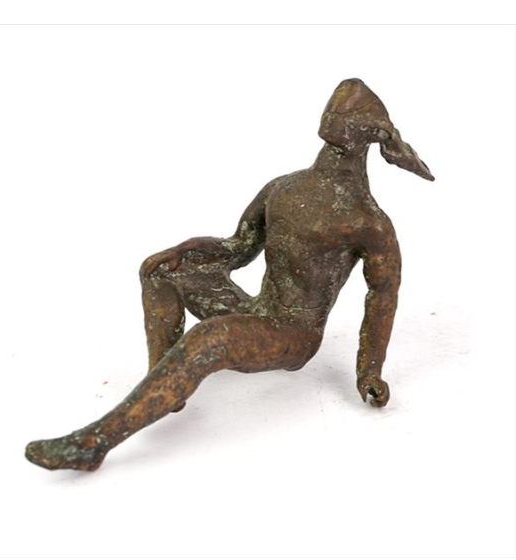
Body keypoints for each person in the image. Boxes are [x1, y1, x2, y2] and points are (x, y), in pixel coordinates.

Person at [25, 78, 434, 471]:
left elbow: (382, 296)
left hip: (293, 335)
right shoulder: (284, 188)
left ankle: (94, 443)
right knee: (159, 274)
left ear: (357, 137)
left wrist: (369, 371)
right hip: (257, 308)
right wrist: (186, 252)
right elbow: (237, 248)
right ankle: (164, 386)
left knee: (211, 338)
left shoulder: (367, 222)